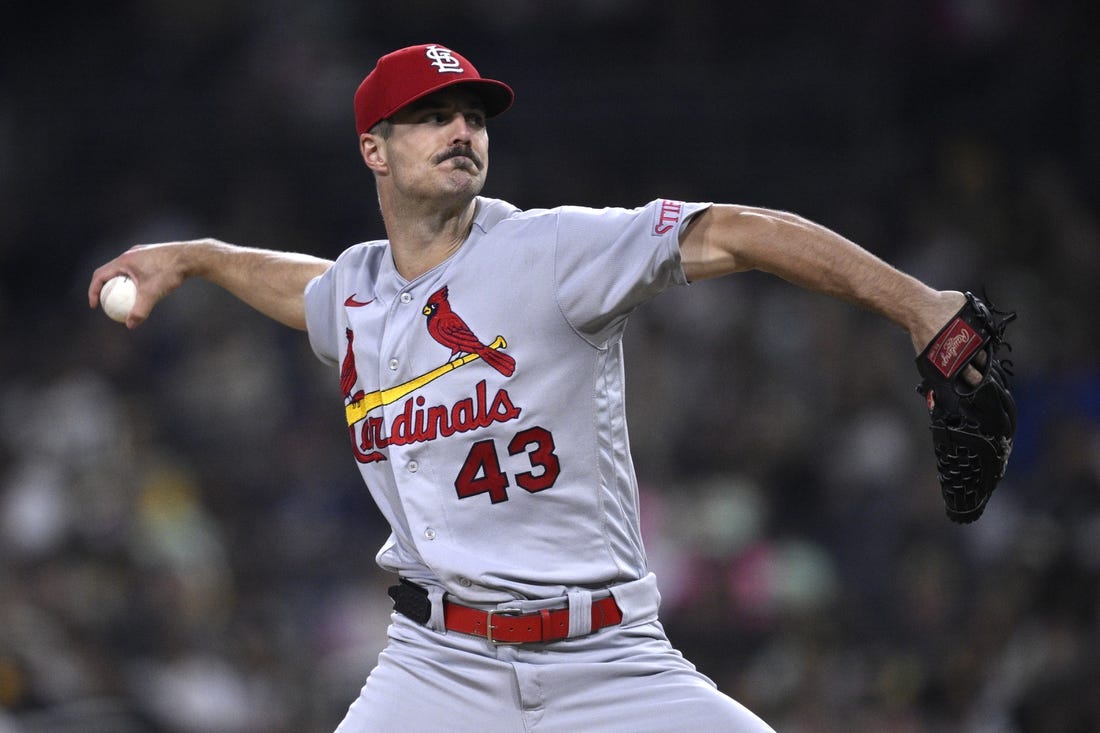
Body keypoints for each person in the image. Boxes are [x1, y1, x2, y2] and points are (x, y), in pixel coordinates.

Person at [89, 43, 969, 732]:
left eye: (471, 113)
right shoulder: (359, 291)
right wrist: (199, 258)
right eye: (431, 116)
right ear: (374, 151)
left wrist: (917, 305)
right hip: (436, 664)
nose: (461, 130)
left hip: (607, 658)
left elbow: (734, 233)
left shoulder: (551, 251)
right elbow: (307, 292)